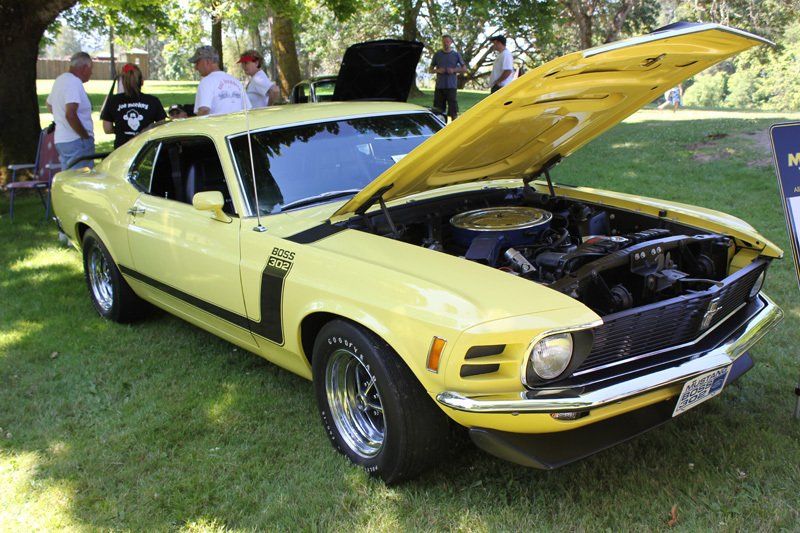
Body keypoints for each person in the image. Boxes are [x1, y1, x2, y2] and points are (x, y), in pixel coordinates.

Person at [46, 51, 95, 170]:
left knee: (68, 180)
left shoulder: (60, 80)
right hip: (76, 141)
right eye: (91, 69)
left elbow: (49, 104)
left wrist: (60, 118)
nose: (91, 73)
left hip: (62, 139)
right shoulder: (73, 82)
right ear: (84, 68)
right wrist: (85, 136)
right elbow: (71, 114)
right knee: (80, 182)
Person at [100, 64, 166, 148]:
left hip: (122, 150)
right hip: (145, 150)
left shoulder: (113, 101)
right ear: (142, 81)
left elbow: (107, 129)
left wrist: (121, 130)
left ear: (123, 82)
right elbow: (162, 125)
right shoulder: (153, 101)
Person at [189, 45, 250, 116]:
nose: (195, 68)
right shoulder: (236, 82)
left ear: (207, 62)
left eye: (197, 63)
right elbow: (248, 109)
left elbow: (204, 111)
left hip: (216, 127)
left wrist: (197, 126)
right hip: (239, 126)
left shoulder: (206, 82)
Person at [430, 35, 467, 121]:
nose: (445, 44)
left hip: (451, 86)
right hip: (440, 86)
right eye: (444, 42)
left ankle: (455, 128)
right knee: (439, 111)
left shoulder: (456, 55)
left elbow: (464, 69)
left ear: (451, 42)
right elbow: (430, 70)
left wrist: (454, 70)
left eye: (447, 42)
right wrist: (438, 70)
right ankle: (441, 128)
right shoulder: (437, 54)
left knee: (453, 111)